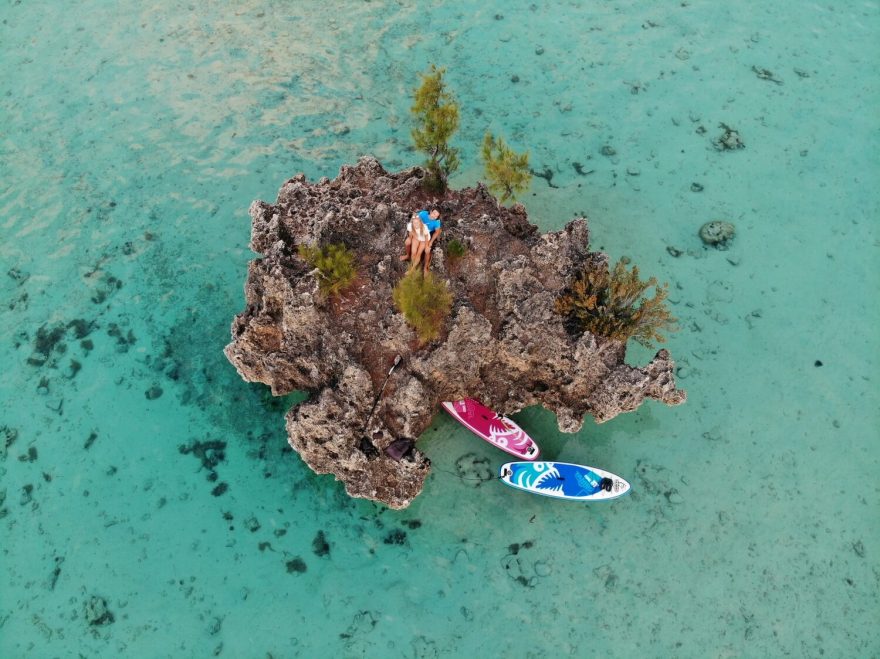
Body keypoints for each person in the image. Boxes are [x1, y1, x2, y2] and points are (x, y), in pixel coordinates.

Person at [400, 208, 442, 273]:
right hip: (417, 234)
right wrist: (410, 237)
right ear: (431, 211)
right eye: (434, 214)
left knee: (424, 252)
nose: (434, 216)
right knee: (412, 250)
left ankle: (422, 268)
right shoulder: (423, 214)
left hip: (426, 236)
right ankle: (408, 256)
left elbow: (436, 232)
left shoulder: (436, 222)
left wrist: (430, 243)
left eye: (436, 216)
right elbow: (414, 219)